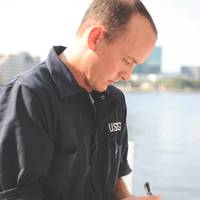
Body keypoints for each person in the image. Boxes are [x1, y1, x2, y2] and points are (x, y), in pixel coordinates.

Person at [0, 0, 160, 200]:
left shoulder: (116, 101)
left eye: (135, 65)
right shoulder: (27, 97)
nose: (128, 75)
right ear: (96, 38)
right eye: (127, 60)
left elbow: (115, 175)